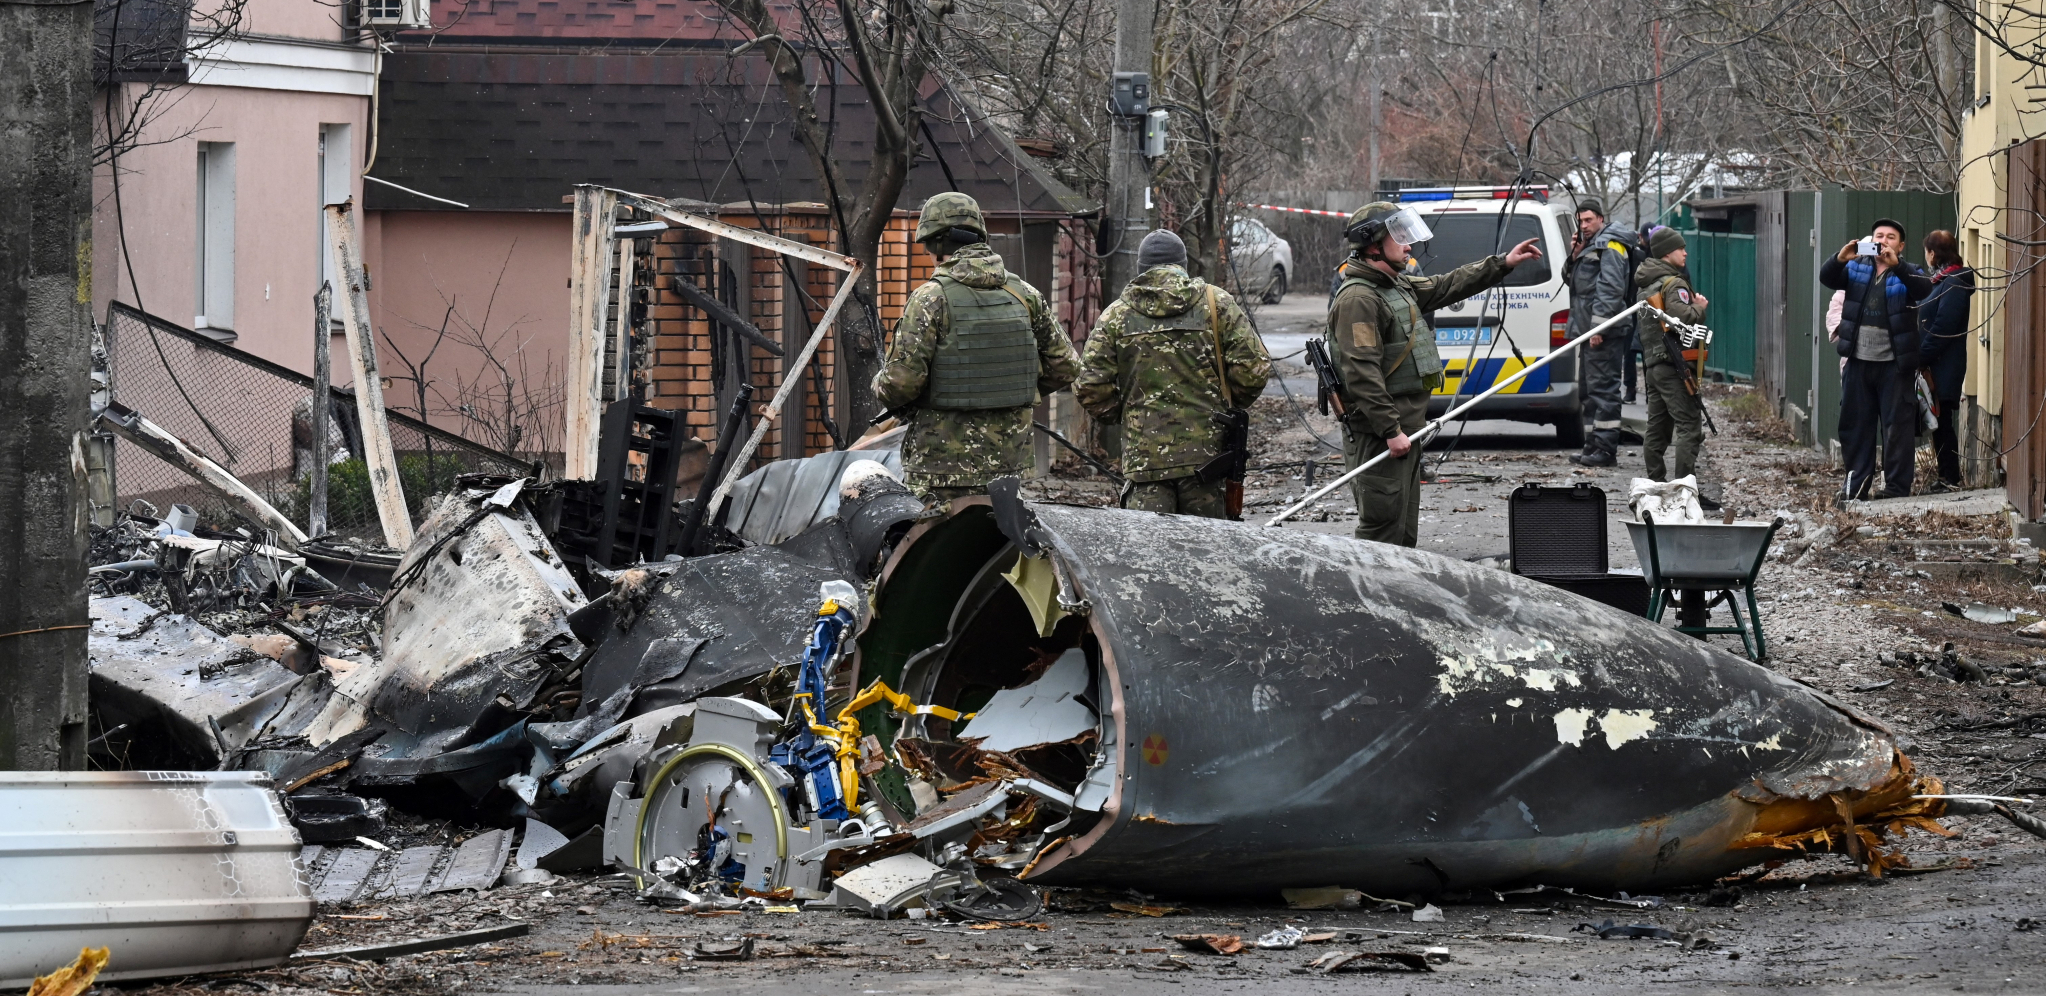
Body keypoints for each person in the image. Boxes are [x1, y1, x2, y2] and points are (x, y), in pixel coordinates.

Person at [1328, 201, 1544, 546]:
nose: (1409, 245)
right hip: (1382, 435)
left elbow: (1445, 286)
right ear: (1372, 245)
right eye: (1398, 237)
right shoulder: (1359, 298)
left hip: (1403, 431)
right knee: (1381, 531)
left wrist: (1502, 264)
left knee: (1403, 531)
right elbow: (1361, 372)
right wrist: (1390, 429)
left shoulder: (1393, 285)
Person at [873, 192, 1080, 504]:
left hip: (940, 467)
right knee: (999, 549)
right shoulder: (1025, 295)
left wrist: (878, 384)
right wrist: (1013, 390)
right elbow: (1066, 367)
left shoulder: (931, 298)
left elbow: (900, 384)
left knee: (937, 549)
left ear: (939, 245)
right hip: (1007, 464)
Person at [1076, 230, 1272, 517]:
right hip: (1207, 460)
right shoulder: (1216, 304)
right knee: (1206, 553)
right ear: (1182, 265)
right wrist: (1228, 406)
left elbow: (1089, 386)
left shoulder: (1115, 316)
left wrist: (1127, 417)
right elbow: (1254, 369)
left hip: (1145, 464)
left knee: (1147, 557)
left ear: (1141, 269)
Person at [1820, 218, 1932, 500]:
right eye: (1879, 235)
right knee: (1856, 428)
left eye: (1891, 237)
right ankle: (1855, 488)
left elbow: (1924, 290)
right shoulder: (1855, 268)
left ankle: (1895, 490)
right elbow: (1827, 278)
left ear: (1901, 245)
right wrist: (1839, 258)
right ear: (1870, 240)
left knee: (1897, 430)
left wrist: (1899, 266)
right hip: (1858, 362)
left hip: (1895, 366)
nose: (1884, 240)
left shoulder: (1908, 272)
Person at [1564, 200, 1639, 466]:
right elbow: (1571, 280)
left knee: (1604, 390)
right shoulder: (1591, 244)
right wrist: (1576, 253)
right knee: (1588, 390)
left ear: (1600, 218)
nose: (1583, 226)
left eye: (1588, 220)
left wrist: (1599, 328)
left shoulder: (1611, 243)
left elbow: (1610, 289)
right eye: (1580, 221)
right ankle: (1592, 446)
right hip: (1588, 331)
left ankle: (1606, 451)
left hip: (1604, 332)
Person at [1633, 228, 1710, 484]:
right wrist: (1699, 308)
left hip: (1653, 366)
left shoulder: (1646, 284)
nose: (1685, 252)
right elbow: (1682, 319)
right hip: (1673, 364)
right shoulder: (1672, 283)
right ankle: (1684, 490)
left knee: (1657, 432)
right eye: (1681, 248)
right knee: (1690, 427)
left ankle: (1656, 486)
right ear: (1668, 252)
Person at [1917, 230, 1975, 492]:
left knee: (1942, 421)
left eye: (1926, 252)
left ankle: (1950, 477)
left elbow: (1944, 326)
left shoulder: (1953, 282)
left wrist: (1921, 356)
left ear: (1932, 253)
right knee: (1939, 421)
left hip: (1944, 362)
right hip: (1939, 360)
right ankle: (1947, 476)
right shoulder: (1944, 280)